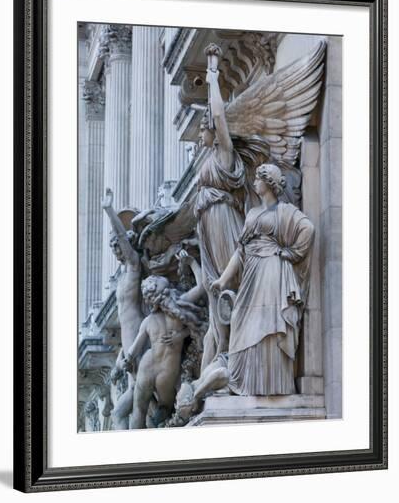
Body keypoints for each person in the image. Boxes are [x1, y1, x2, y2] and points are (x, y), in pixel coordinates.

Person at [211, 164, 315, 396]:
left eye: (258, 179)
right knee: (240, 318)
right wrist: (223, 279)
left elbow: (308, 228)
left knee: (269, 320)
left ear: (268, 183)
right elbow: (240, 251)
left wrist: (290, 253)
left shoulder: (285, 211)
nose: (254, 183)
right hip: (252, 271)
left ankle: (271, 384)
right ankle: (246, 382)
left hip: (272, 269)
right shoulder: (252, 213)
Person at [196, 43, 269, 372]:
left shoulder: (224, 153)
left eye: (202, 128)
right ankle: (224, 348)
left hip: (223, 220)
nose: (199, 134)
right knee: (215, 295)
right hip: (207, 229)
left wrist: (212, 74)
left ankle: (242, 349)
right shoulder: (208, 159)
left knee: (230, 282)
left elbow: (220, 115)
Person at [123, 275, 203, 429]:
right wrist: (182, 335)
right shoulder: (179, 309)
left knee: (139, 409)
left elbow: (133, 351)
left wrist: (127, 361)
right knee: (165, 408)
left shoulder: (148, 321)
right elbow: (201, 286)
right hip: (168, 369)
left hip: (147, 364)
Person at [102, 188, 144, 429]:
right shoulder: (124, 275)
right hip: (128, 344)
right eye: (112, 245)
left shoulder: (134, 266)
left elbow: (124, 241)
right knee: (128, 410)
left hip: (137, 336)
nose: (115, 248)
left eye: (116, 244)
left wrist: (109, 210)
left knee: (124, 411)